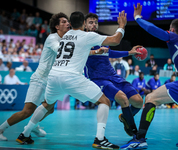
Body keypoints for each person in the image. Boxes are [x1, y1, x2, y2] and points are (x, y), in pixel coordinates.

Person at [16, 10, 127, 149]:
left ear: (71, 23)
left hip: (54, 76)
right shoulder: (87, 36)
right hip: (71, 77)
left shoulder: (65, 35)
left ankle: (25, 133)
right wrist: (121, 26)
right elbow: (115, 40)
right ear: (83, 23)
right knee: (104, 101)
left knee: (46, 105)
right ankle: (100, 139)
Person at [120, 3, 178, 149]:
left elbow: (153, 29)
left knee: (151, 98)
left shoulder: (174, 38)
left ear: (172, 30)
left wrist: (137, 17)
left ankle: (140, 138)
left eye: (169, 29)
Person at [0, 12, 70, 141]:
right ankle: (1, 128)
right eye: (64, 22)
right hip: (40, 78)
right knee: (27, 111)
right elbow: (60, 51)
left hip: (51, 81)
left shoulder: (67, 39)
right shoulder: (52, 38)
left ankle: (33, 126)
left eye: (68, 21)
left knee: (49, 109)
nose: (67, 23)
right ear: (57, 27)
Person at [84, 12, 143, 148]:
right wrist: (121, 26)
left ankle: (124, 117)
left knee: (139, 102)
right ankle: (136, 135)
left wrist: (129, 52)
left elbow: (110, 53)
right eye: (90, 22)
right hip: (99, 79)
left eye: (95, 22)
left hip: (113, 76)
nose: (93, 24)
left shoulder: (100, 39)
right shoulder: (84, 39)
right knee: (122, 98)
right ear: (85, 25)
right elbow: (115, 40)